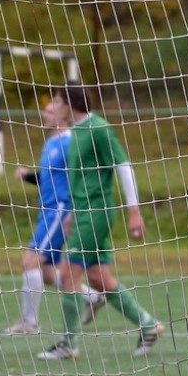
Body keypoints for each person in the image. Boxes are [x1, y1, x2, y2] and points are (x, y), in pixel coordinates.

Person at [37, 83, 163, 360]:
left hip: (96, 212)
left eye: (57, 103)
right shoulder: (76, 133)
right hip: (82, 213)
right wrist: (70, 213)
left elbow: (123, 166)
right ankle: (148, 324)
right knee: (98, 278)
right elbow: (79, 178)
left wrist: (134, 211)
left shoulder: (98, 128)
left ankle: (68, 344)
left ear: (70, 104)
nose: (53, 108)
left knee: (68, 272)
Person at [5, 99, 104, 335]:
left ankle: (29, 324)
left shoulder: (70, 142)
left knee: (30, 261)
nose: (45, 114)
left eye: (50, 111)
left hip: (60, 210)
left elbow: (78, 177)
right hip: (46, 211)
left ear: (63, 114)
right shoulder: (50, 143)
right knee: (48, 273)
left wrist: (73, 210)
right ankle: (92, 297)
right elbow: (47, 178)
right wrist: (28, 176)